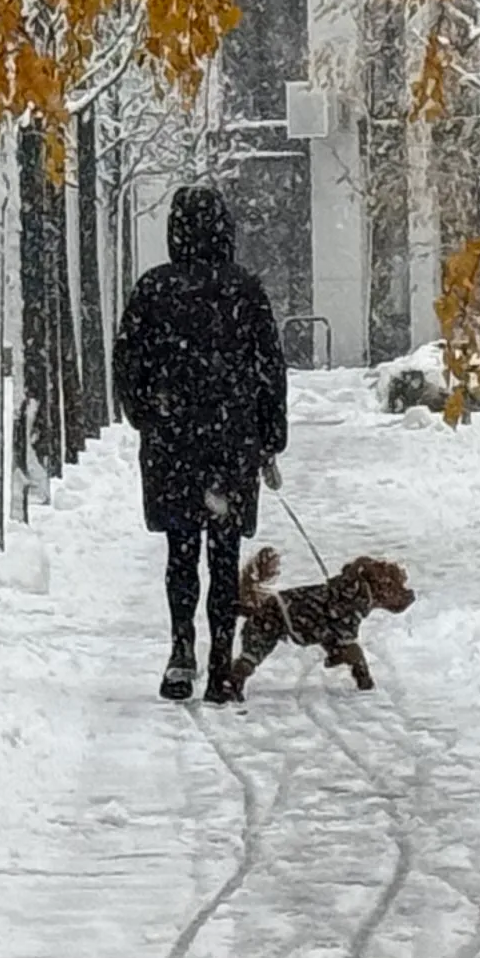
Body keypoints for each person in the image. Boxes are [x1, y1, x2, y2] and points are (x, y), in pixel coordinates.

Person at [115, 183, 289, 702]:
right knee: (224, 552)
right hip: (231, 442)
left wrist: (148, 412)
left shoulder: (154, 290)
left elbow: (129, 363)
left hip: (174, 443)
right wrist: (268, 437)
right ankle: (220, 664)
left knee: (181, 553)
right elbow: (269, 369)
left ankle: (180, 649)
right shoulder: (245, 291)